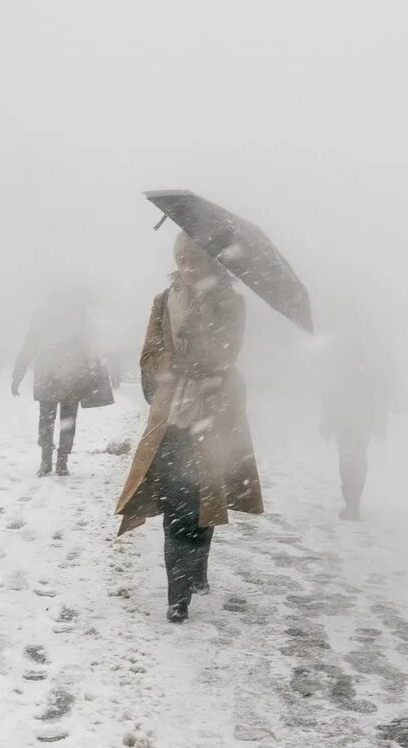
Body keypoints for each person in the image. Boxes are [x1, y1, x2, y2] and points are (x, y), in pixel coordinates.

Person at [114, 233, 264, 623]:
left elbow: (230, 353)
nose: (189, 266)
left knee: (205, 501)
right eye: (182, 259)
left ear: (213, 261)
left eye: (196, 258)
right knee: (177, 503)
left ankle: (197, 569)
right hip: (172, 417)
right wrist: (174, 361)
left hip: (215, 416)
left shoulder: (232, 304)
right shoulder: (164, 302)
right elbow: (149, 354)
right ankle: (177, 595)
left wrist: (204, 349)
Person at [11, 289, 97, 477]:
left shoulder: (43, 314)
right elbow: (91, 344)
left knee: (46, 421)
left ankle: (47, 461)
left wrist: (17, 375)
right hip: (70, 376)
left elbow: (29, 347)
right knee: (67, 421)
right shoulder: (79, 314)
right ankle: (61, 462)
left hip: (50, 376)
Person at [320, 316, 396, 521]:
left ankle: (352, 502)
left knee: (348, 460)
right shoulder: (369, 373)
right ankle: (354, 501)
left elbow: (332, 395)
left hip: (350, 421)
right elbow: (378, 400)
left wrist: (327, 422)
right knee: (356, 459)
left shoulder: (347, 371)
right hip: (359, 421)